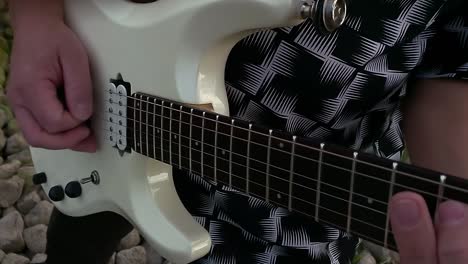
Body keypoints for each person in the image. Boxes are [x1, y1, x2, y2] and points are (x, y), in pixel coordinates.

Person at [5, 0, 468, 263]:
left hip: (295, 191)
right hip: (102, 75)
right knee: (81, 221)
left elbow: (451, 68)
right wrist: (38, 18)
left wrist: (449, 223)